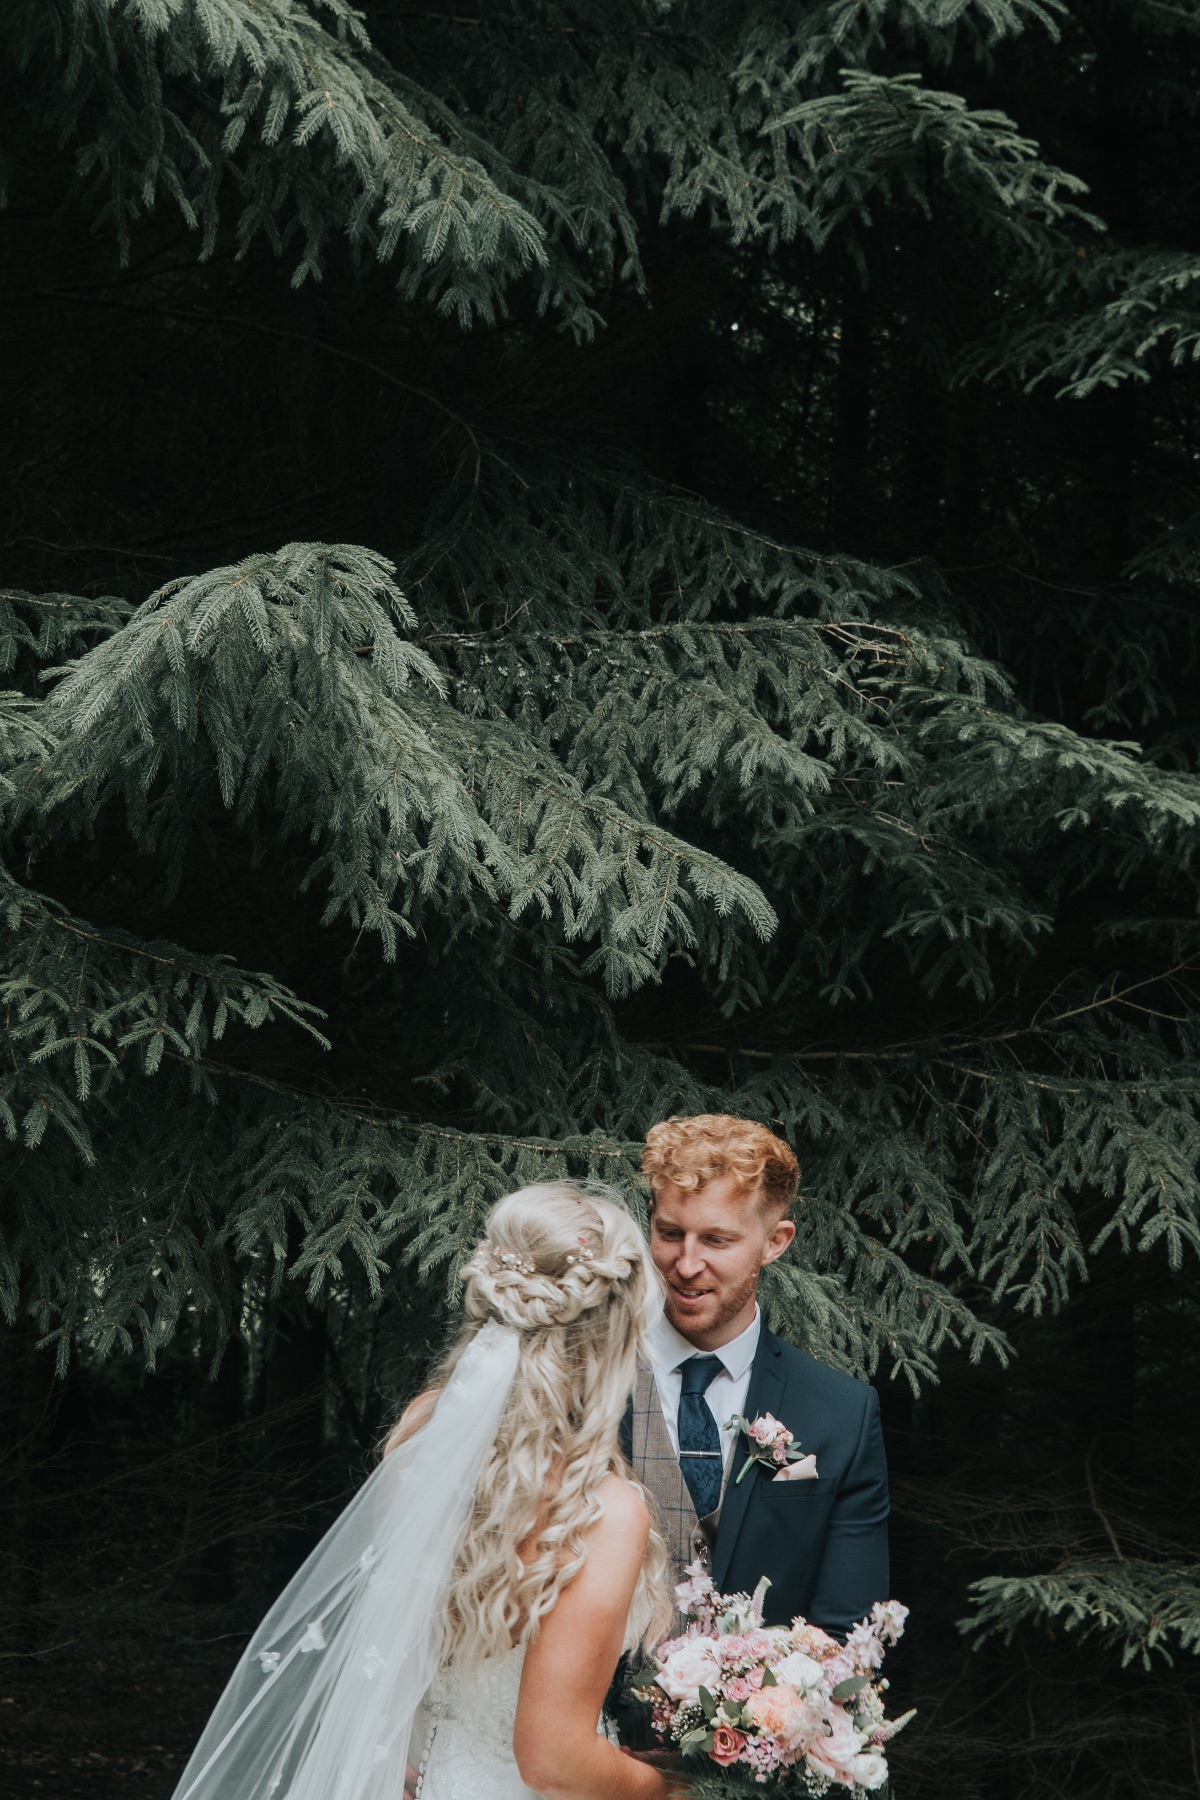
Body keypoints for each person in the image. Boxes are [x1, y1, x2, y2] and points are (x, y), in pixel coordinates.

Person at [168, 1183, 682, 1800]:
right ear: (614, 1333)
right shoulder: (602, 1510)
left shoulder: (425, 1434)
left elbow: (394, 1642)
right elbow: (555, 1763)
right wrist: (676, 1787)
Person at [623, 1114, 889, 1636]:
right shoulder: (579, 1383)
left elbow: (845, 1632)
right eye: (670, 1233)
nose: (686, 1264)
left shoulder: (841, 1412)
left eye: (717, 1240)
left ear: (775, 1241)